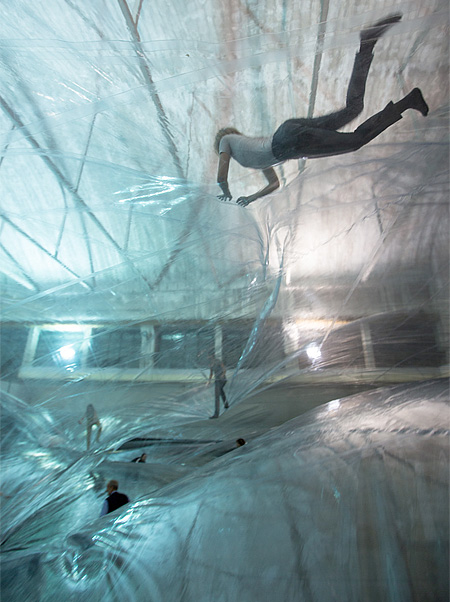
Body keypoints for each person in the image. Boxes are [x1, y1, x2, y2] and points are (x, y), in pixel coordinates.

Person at [215, 14, 429, 207]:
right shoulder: (251, 153)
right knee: (353, 109)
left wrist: (225, 192)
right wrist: (250, 198)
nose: (222, 155)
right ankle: (367, 46)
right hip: (288, 136)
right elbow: (274, 183)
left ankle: (405, 101)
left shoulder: (228, 141)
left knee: (355, 141)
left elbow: (221, 176)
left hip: (289, 144)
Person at [208, 354, 229, 418]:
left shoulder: (218, 361)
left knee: (217, 396)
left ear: (212, 356)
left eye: (209, 357)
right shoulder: (211, 364)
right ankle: (226, 404)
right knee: (221, 392)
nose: (208, 358)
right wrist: (208, 381)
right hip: (217, 380)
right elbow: (211, 373)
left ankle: (216, 414)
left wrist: (222, 375)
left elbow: (224, 369)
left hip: (222, 380)